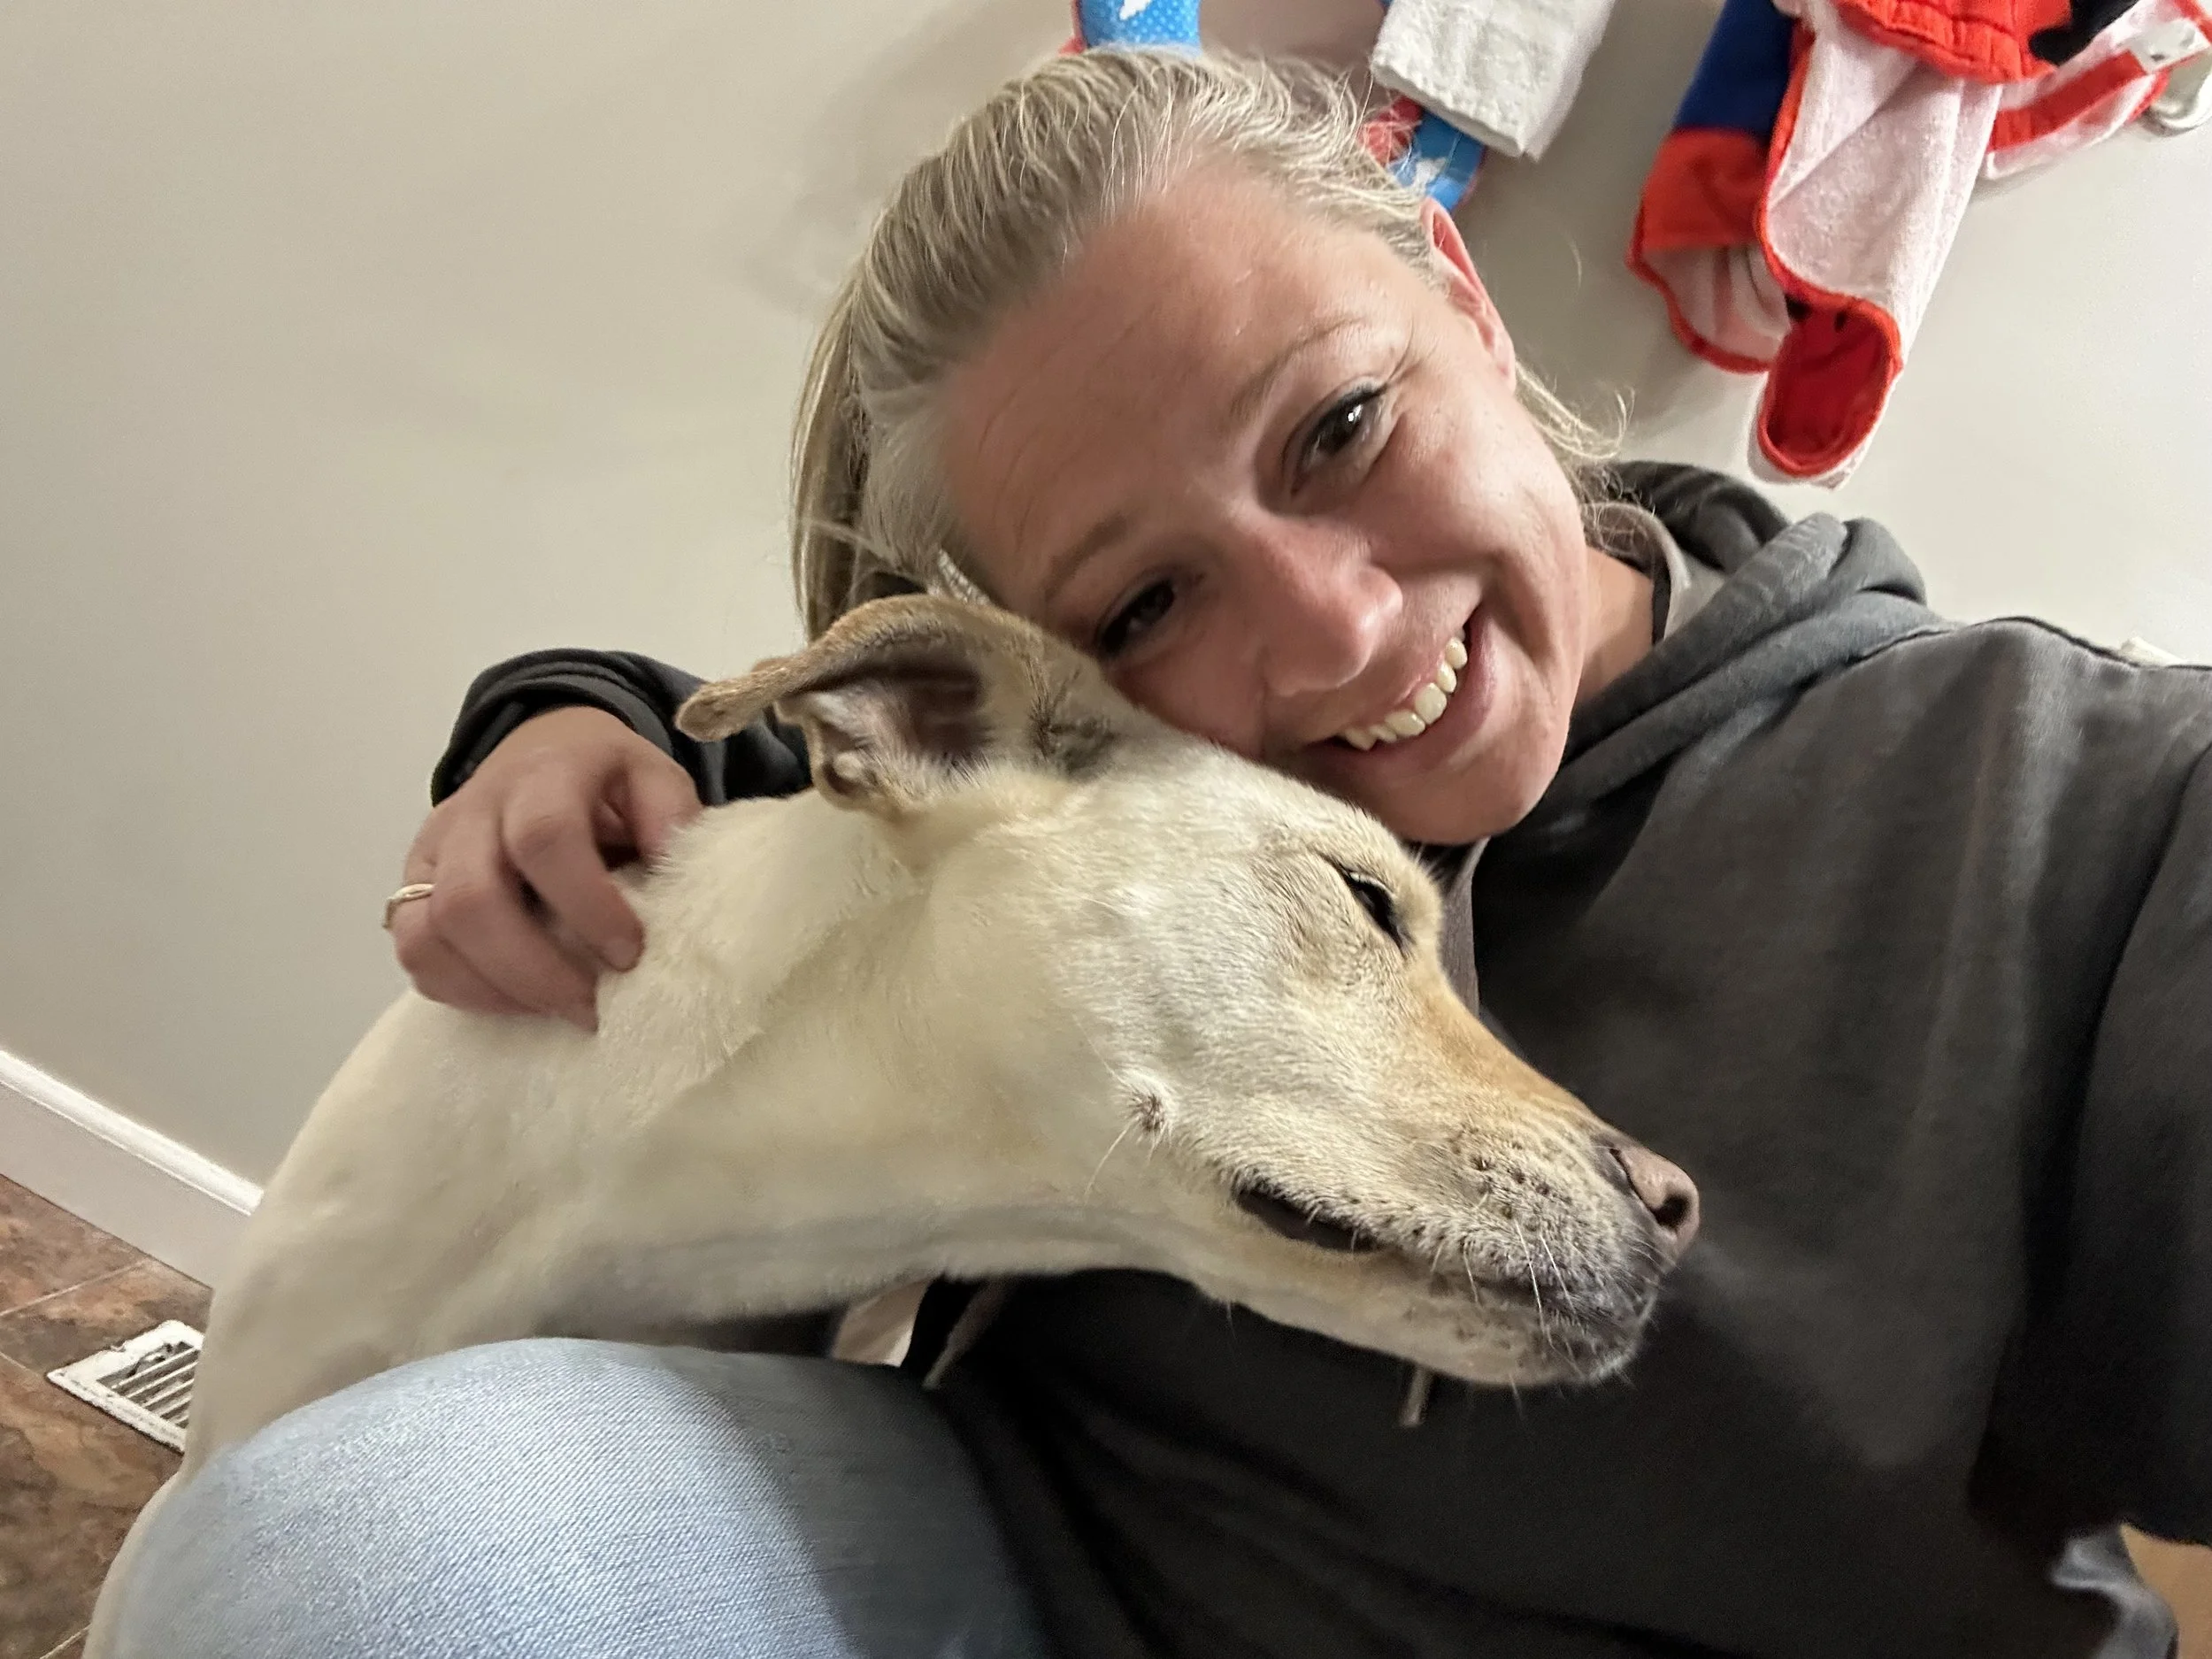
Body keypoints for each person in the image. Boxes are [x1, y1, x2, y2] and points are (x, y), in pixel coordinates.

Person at [107, 47, 2209, 1659]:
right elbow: (885, 815)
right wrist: (583, 707)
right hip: (1031, 1581)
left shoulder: (2066, 804)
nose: (1334, 633)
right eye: (1139, 608)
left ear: (1458, 298)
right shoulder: (1107, 808)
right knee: (341, 1560)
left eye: (1340, 431)